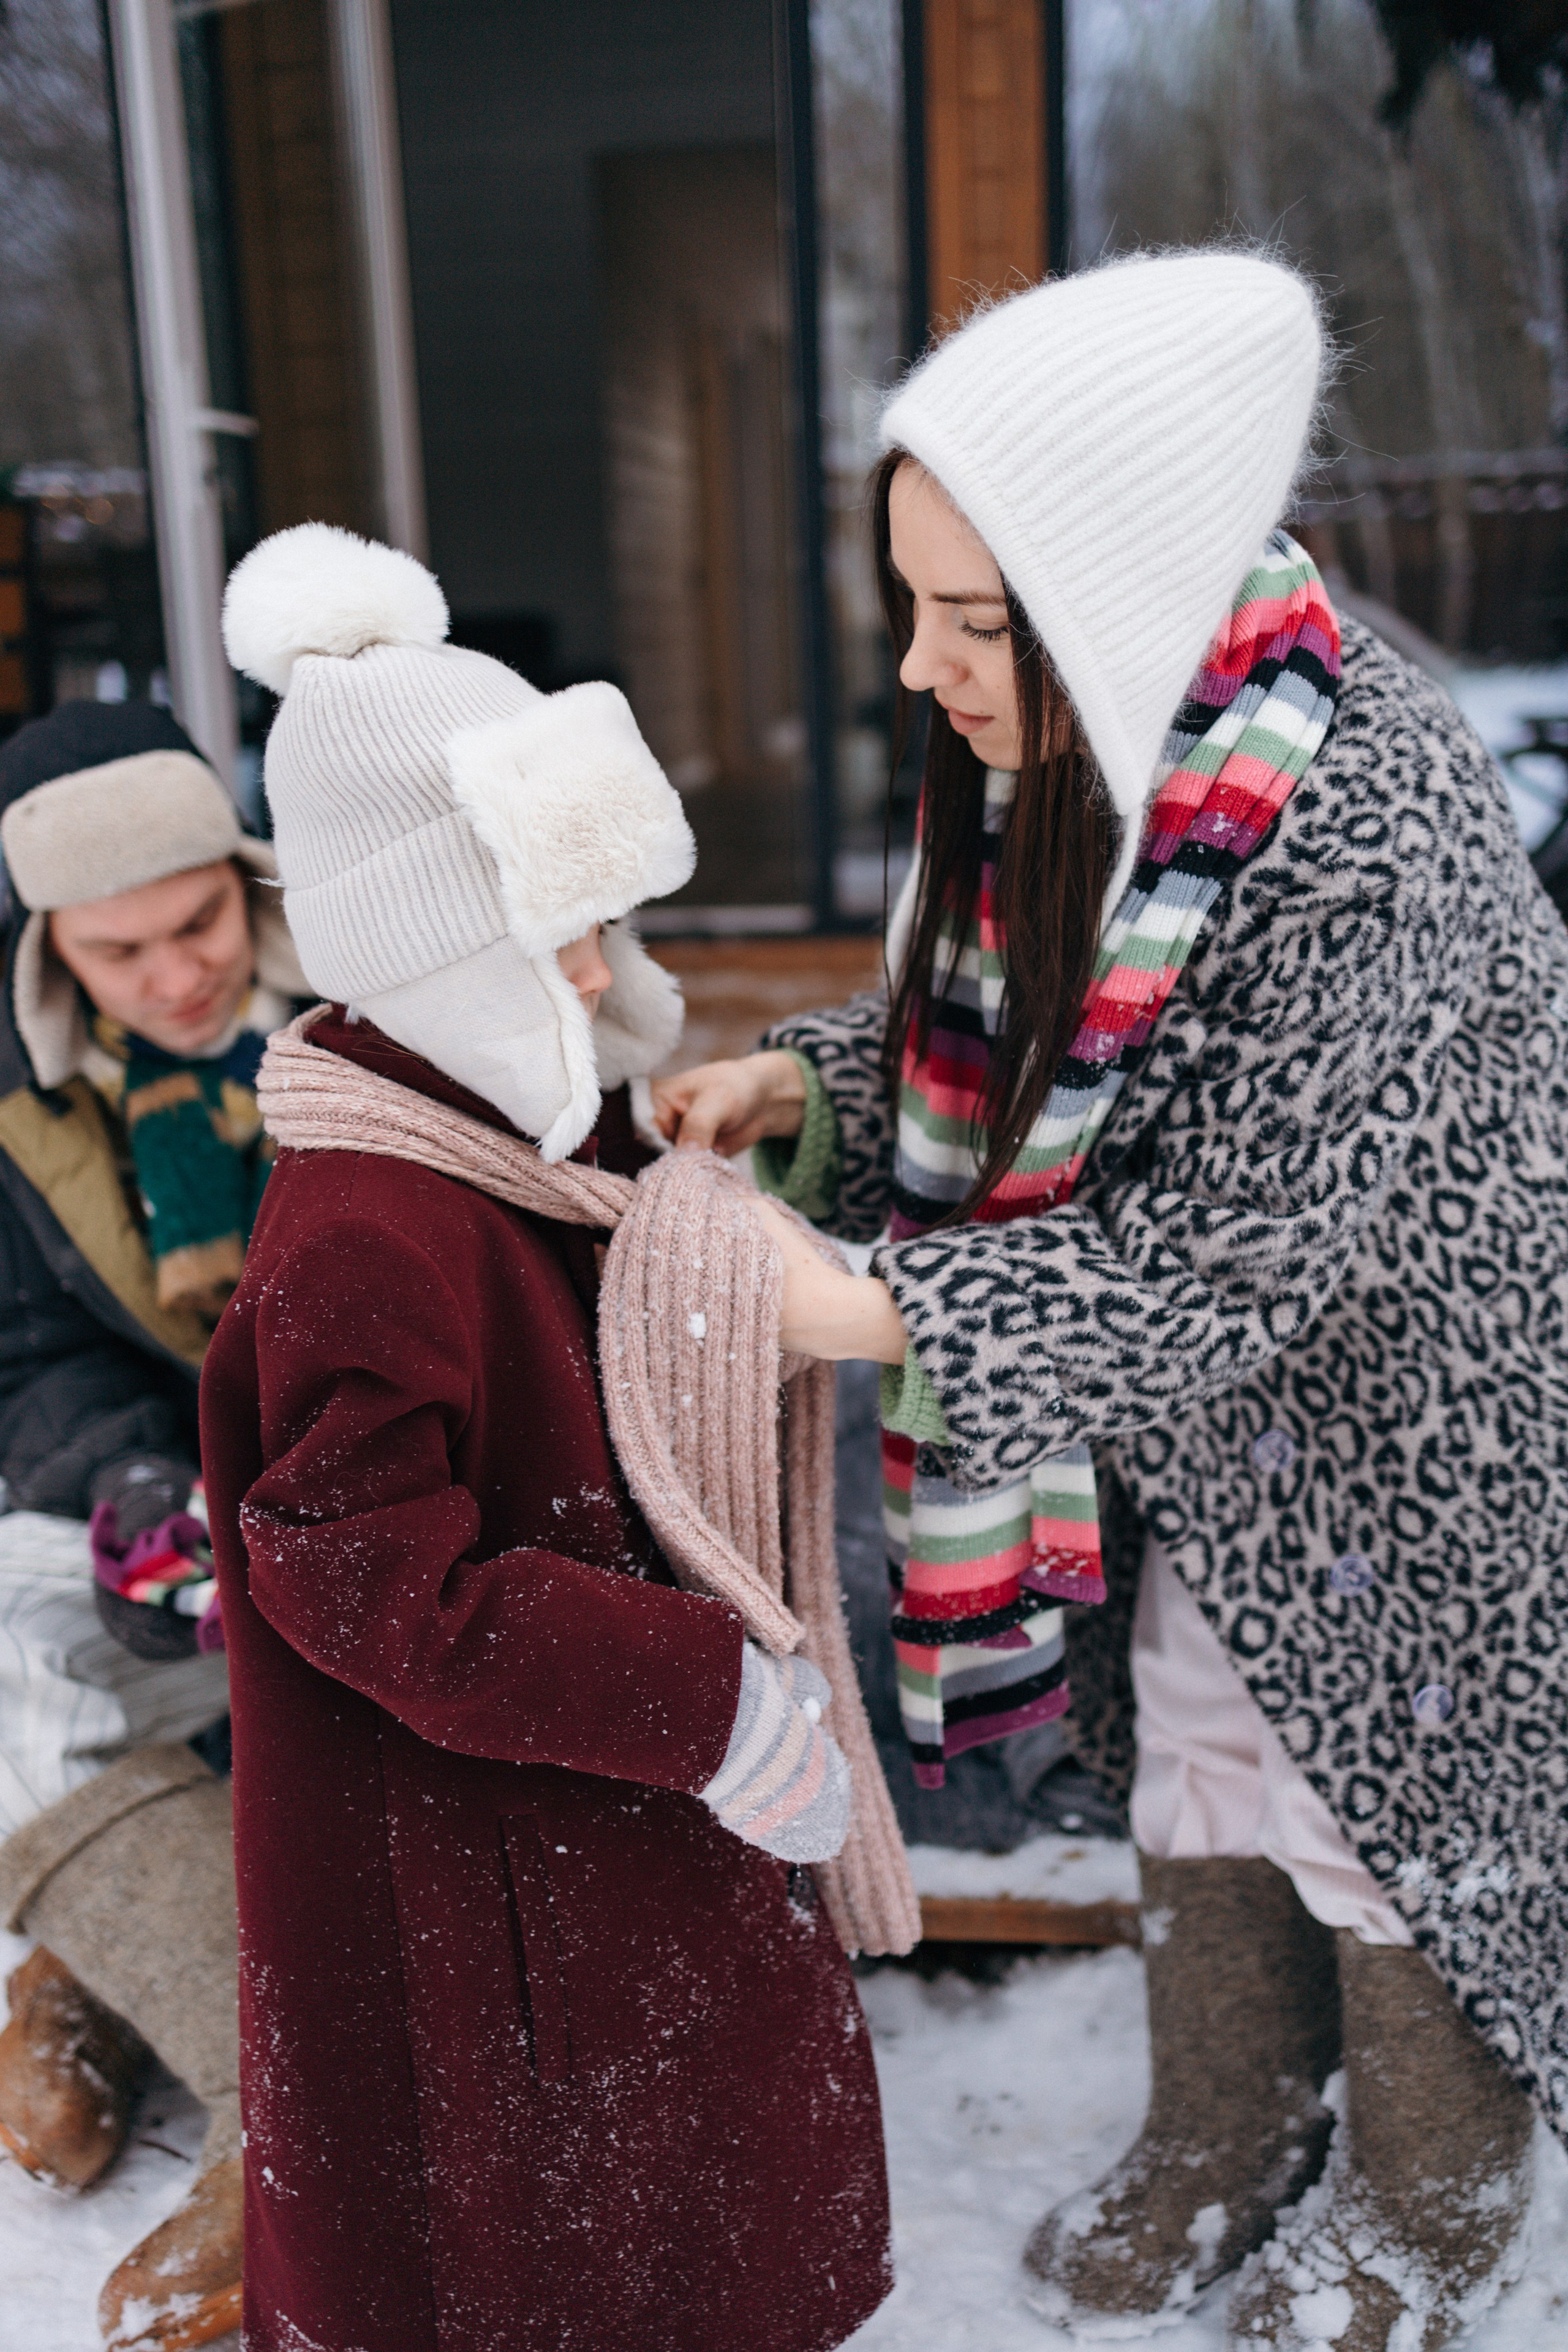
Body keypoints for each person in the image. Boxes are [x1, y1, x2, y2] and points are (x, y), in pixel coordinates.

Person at [653, 247, 1568, 2351]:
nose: (915, 670)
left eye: (972, 623)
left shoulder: (1367, 820)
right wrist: (811, 1083)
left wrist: (861, 1307)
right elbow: (1008, 1044)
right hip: (1219, 1416)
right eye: (911, 602)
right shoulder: (1083, 753)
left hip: (1420, 1414)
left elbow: (1221, 1257)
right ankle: (1228, 2125)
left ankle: (1431, 2204)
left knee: (1380, 1792)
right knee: (1204, 1753)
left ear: (1117, 590)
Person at [200, 522, 892, 2352]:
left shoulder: (514, 1143)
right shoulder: (370, 1219)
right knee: (553, 2257)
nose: (598, 977)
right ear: (438, 943)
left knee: (668, 2202)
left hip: (581, 1839)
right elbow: (365, 1577)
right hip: (487, 1885)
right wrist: (711, 1697)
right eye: (559, 931)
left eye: (605, 925)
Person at [0, 698, 307, 2351]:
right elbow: (21, 1351)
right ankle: (170, 1996)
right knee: (5, 1646)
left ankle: (249, 2091)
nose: (178, 976)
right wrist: (126, 1479)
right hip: (164, 1496)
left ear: (244, 874)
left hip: (379, 1481)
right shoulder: (16, 1082)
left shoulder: (372, 994)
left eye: (200, 921)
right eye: (120, 954)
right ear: (52, 943)